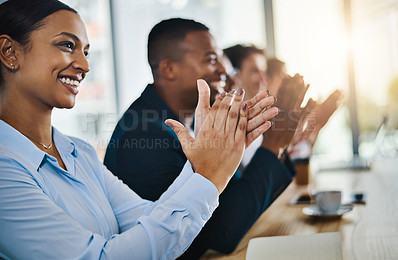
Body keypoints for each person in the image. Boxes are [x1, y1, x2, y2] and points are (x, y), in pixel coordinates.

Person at [0, 1, 264, 259]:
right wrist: (208, 176)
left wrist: (205, 164)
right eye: (67, 45)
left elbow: (148, 218)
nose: (85, 65)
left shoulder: (78, 151)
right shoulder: (4, 170)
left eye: (87, 52)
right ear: (9, 52)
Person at [104, 18, 297, 259]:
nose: (224, 70)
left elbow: (232, 198)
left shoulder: (191, 121)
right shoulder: (145, 136)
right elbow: (221, 233)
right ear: (169, 69)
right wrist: (272, 145)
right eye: (211, 59)